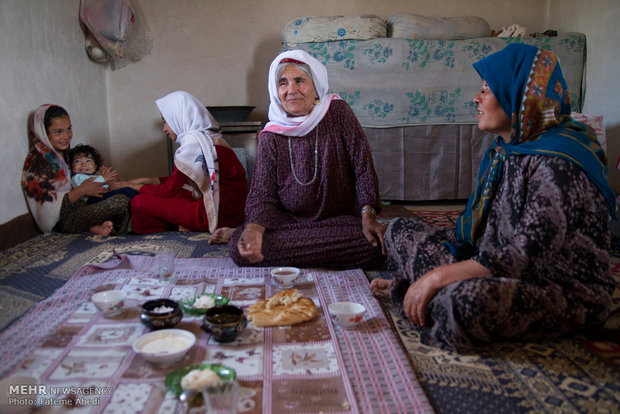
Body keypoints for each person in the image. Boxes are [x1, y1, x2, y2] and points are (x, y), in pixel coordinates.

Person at [371, 43, 616, 351]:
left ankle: (416, 293)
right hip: (495, 264)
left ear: (520, 97)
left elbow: (526, 256)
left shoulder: (560, 162)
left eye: (487, 90)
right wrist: (449, 270)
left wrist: (437, 278)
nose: (476, 98)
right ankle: (423, 296)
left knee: (466, 302)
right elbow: (478, 237)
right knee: (399, 230)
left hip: (557, 286)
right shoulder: (506, 149)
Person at [221, 50, 386, 269]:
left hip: (338, 221)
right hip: (288, 222)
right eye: (283, 83)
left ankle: (295, 251)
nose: (291, 90)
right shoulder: (271, 135)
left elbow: (363, 167)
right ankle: (325, 253)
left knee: (374, 244)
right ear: (275, 90)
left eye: (300, 81)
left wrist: (368, 215)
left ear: (316, 87)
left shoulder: (338, 113)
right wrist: (254, 229)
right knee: (238, 248)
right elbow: (262, 192)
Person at [112, 91, 248, 234]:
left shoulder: (193, 145)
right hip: (234, 214)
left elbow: (168, 190)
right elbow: (177, 181)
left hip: (217, 217)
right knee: (181, 193)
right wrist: (146, 180)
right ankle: (182, 223)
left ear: (179, 117)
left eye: (166, 120)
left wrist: (134, 186)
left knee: (139, 202)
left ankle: (179, 226)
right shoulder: (209, 139)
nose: (164, 129)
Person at [22, 105, 132, 236]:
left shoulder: (64, 154)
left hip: (80, 206)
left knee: (125, 192)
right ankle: (114, 231)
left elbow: (81, 180)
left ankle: (103, 228)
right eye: (58, 132)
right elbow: (53, 212)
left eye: (68, 129)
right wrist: (84, 190)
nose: (66, 136)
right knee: (121, 202)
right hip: (61, 222)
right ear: (44, 133)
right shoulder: (39, 162)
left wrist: (104, 181)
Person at [69, 144, 138, 205]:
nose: (83, 164)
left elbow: (105, 187)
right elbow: (86, 188)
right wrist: (103, 178)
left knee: (131, 190)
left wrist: (110, 182)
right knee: (128, 191)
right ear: (71, 166)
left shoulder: (96, 176)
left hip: (102, 196)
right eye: (77, 161)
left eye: (88, 161)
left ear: (95, 165)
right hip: (92, 200)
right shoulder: (76, 177)